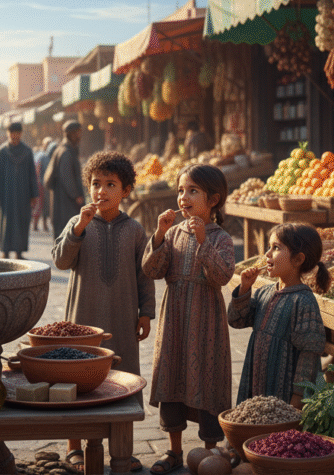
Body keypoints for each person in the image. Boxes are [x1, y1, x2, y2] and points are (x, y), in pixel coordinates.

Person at [52, 152, 154, 474]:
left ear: (125, 191)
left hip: (123, 320)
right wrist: (78, 228)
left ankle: (121, 449)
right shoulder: (77, 223)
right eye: (96, 184)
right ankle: (74, 447)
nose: (101, 191)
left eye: (111, 184)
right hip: (83, 320)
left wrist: (146, 312)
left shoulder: (135, 230)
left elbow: (145, 273)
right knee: (77, 380)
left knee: (122, 381)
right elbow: (60, 261)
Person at [143, 164, 234, 474]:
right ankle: (174, 451)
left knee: (207, 377)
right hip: (175, 321)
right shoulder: (172, 234)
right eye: (181, 190)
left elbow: (221, 277)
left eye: (192, 191)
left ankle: (211, 452)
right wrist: (158, 234)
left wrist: (203, 242)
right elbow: (152, 270)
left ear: (213, 199)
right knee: (172, 374)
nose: (183, 197)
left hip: (206, 320)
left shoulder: (221, 238)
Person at [229, 223, 328, 408]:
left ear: (298, 259)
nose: (267, 254)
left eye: (276, 248)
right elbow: (236, 320)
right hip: (255, 382)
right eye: (269, 247)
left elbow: (309, 355)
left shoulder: (304, 301)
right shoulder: (263, 292)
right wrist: (244, 288)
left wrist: (296, 400)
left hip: (283, 393)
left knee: (277, 432)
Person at [0, 122, 38, 259]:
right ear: (8, 134)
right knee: (6, 221)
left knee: (23, 220)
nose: (14, 136)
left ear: (21, 134)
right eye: (12, 133)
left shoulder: (27, 151)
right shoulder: (2, 151)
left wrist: (34, 194)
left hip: (24, 194)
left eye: (17, 133)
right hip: (6, 193)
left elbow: (32, 174)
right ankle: (5, 251)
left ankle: (19, 251)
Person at [44, 120, 85, 239]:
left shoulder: (64, 149)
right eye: (77, 133)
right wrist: (76, 196)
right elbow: (67, 177)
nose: (79, 136)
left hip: (63, 200)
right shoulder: (66, 152)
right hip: (65, 202)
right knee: (66, 232)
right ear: (71, 134)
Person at [32, 137, 52, 232]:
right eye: (47, 143)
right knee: (38, 205)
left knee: (46, 206)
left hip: (47, 185)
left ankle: (44, 224)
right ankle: (35, 224)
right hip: (40, 184)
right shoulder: (41, 156)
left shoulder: (51, 156)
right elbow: (37, 171)